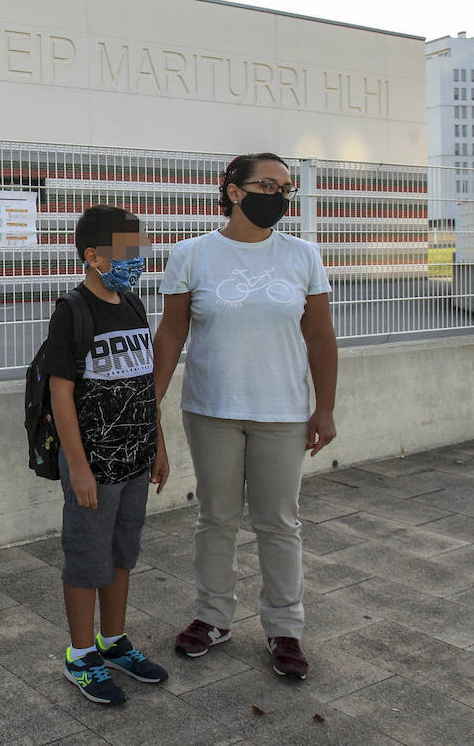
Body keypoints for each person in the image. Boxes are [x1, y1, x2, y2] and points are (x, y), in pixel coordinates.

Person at [151, 152, 337, 681]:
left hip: (282, 412)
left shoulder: (302, 255)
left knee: (279, 522)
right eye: (268, 185)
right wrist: (152, 407)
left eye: (286, 189)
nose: (278, 196)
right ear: (233, 191)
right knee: (217, 518)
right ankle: (212, 617)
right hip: (212, 410)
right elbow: (171, 334)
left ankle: (285, 628)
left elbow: (320, 336)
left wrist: (324, 407)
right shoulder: (191, 254)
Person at [43, 205, 170, 706]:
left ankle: (113, 642)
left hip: (136, 461)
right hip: (94, 467)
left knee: (121, 556)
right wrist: (78, 466)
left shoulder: (135, 305)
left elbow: (144, 386)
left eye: (140, 249)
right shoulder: (72, 311)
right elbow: (60, 396)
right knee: (86, 560)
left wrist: (158, 446)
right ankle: (80, 655)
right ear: (94, 256)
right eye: (127, 251)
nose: (137, 259)